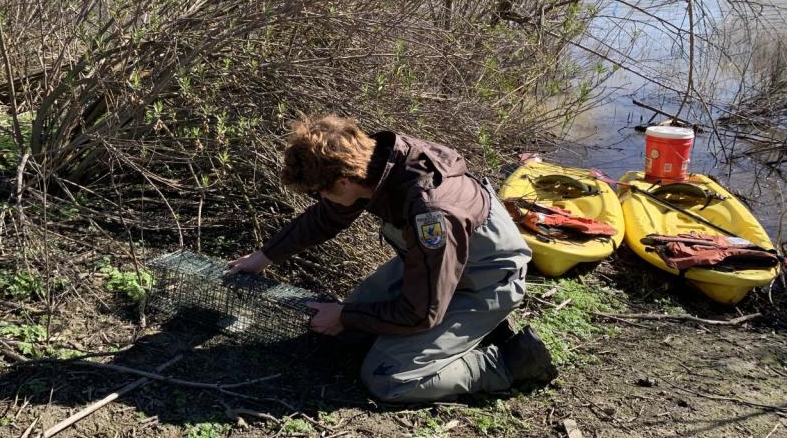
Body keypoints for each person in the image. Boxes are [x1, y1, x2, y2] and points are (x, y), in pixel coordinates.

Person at [228, 115, 556, 403]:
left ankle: (506, 361)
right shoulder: (374, 165)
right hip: (434, 266)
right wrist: (263, 257)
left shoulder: (430, 212)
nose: (320, 199)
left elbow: (420, 313)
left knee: (389, 378)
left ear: (342, 181)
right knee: (350, 335)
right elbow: (326, 218)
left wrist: (345, 313)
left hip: (483, 284)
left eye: (319, 192)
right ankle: (462, 336)